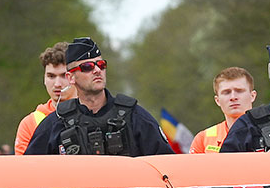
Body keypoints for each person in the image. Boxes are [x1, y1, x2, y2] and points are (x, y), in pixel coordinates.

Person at [23, 37, 170, 156]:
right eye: (87, 67)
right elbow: (29, 175)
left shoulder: (134, 117)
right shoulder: (56, 123)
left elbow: (166, 168)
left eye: (101, 65)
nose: (97, 70)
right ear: (71, 78)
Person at [14, 43, 73, 155]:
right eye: (51, 76)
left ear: (74, 77)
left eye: (64, 76)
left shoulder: (93, 114)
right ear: (44, 79)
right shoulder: (30, 123)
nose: (57, 84)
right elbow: (22, 169)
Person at [190, 67, 257, 153]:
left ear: (252, 96)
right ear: (217, 100)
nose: (233, 97)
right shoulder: (203, 138)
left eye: (239, 91)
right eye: (226, 92)